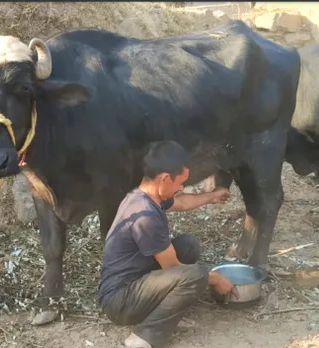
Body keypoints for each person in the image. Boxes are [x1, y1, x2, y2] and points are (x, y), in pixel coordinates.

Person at [98, 140, 238, 348]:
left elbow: (181, 202)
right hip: (121, 301)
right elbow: (172, 268)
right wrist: (215, 278)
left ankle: (162, 308)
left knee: (188, 246)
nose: (181, 188)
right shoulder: (145, 216)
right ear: (164, 178)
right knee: (196, 275)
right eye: (180, 182)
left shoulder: (145, 195)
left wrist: (211, 197)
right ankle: (145, 336)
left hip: (136, 282)